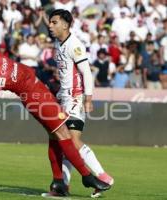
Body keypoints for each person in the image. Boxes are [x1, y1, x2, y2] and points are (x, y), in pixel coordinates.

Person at [0, 47, 111, 196]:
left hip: (38, 91)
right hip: (35, 97)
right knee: (64, 134)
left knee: (54, 137)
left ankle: (58, 183)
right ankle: (86, 177)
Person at [48, 9, 114, 197]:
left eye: (54, 22)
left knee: (72, 142)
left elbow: (86, 72)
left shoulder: (74, 44)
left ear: (65, 25)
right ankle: (64, 186)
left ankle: (103, 177)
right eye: (50, 22)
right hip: (63, 97)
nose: (50, 26)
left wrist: (89, 98)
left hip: (75, 98)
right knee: (65, 143)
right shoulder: (57, 44)